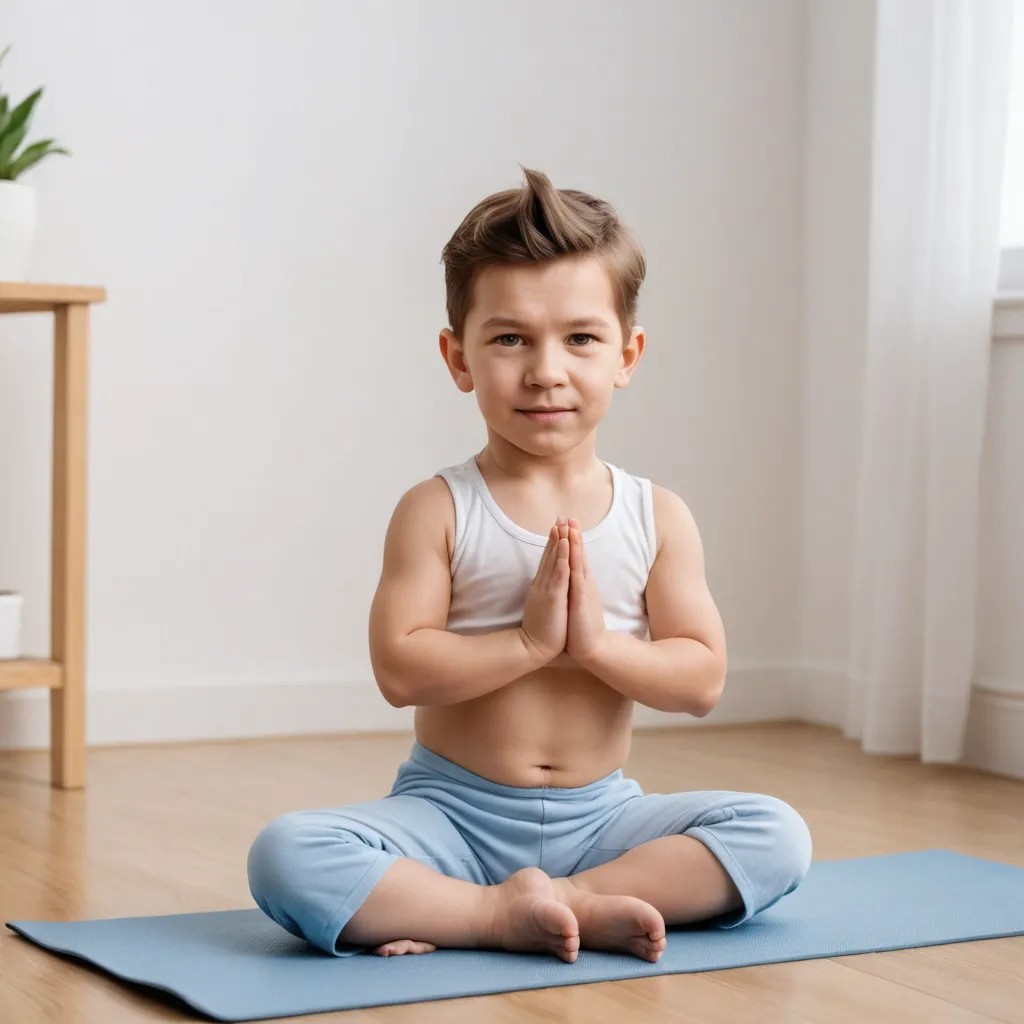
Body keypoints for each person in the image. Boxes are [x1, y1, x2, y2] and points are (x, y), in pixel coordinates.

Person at [247, 167, 812, 963]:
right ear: (459, 358)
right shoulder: (437, 508)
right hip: (449, 817)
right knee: (287, 854)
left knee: (777, 835)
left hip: (605, 822)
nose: (547, 370)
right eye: (510, 338)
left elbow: (702, 679)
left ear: (627, 354)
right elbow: (401, 670)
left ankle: (572, 900)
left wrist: (597, 647)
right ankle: (488, 913)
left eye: (581, 338)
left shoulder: (658, 516)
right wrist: (527, 644)